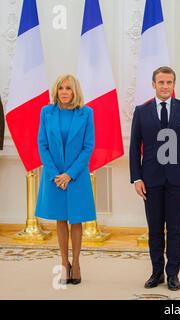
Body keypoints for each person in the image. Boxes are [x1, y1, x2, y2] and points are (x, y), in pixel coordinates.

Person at [129, 66, 180, 291]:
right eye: (161, 82)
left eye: (169, 82)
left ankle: (173, 274)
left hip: (179, 178)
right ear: (153, 84)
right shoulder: (141, 111)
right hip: (151, 179)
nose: (165, 86)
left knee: (176, 229)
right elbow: (134, 149)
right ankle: (157, 272)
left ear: (173, 84)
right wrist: (136, 178)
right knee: (155, 229)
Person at [35, 74, 96, 285]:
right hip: (54, 176)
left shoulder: (86, 113)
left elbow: (88, 146)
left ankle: (76, 263)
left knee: (77, 219)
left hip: (76, 176)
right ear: (56, 91)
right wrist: (56, 174)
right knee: (60, 219)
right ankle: (63, 263)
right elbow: (42, 144)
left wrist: (70, 174)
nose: (64, 92)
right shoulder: (46, 112)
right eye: (61, 88)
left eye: (68, 88)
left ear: (75, 91)